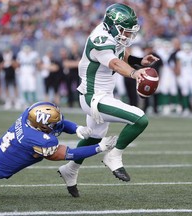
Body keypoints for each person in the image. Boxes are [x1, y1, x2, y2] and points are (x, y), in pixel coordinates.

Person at [58, 3, 158, 198]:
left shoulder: (112, 34)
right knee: (140, 119)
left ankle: (70, 169)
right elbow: (114, 62)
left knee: (94, 137)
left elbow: (121, 52)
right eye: (125, 31)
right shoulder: (100, 39)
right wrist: (135, 73)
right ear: (112, 25)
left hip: (102, 95)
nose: (128, 36)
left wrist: (138, 61)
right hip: (94, 98)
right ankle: (114, 155)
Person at [0, 101, 117, 197]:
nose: (58, 126)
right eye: (52, 125)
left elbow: (58, 123)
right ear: (42, 126)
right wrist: (99, 147)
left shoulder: (28, 115)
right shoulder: (39, 140)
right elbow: (67, 154)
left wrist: (76, 128)